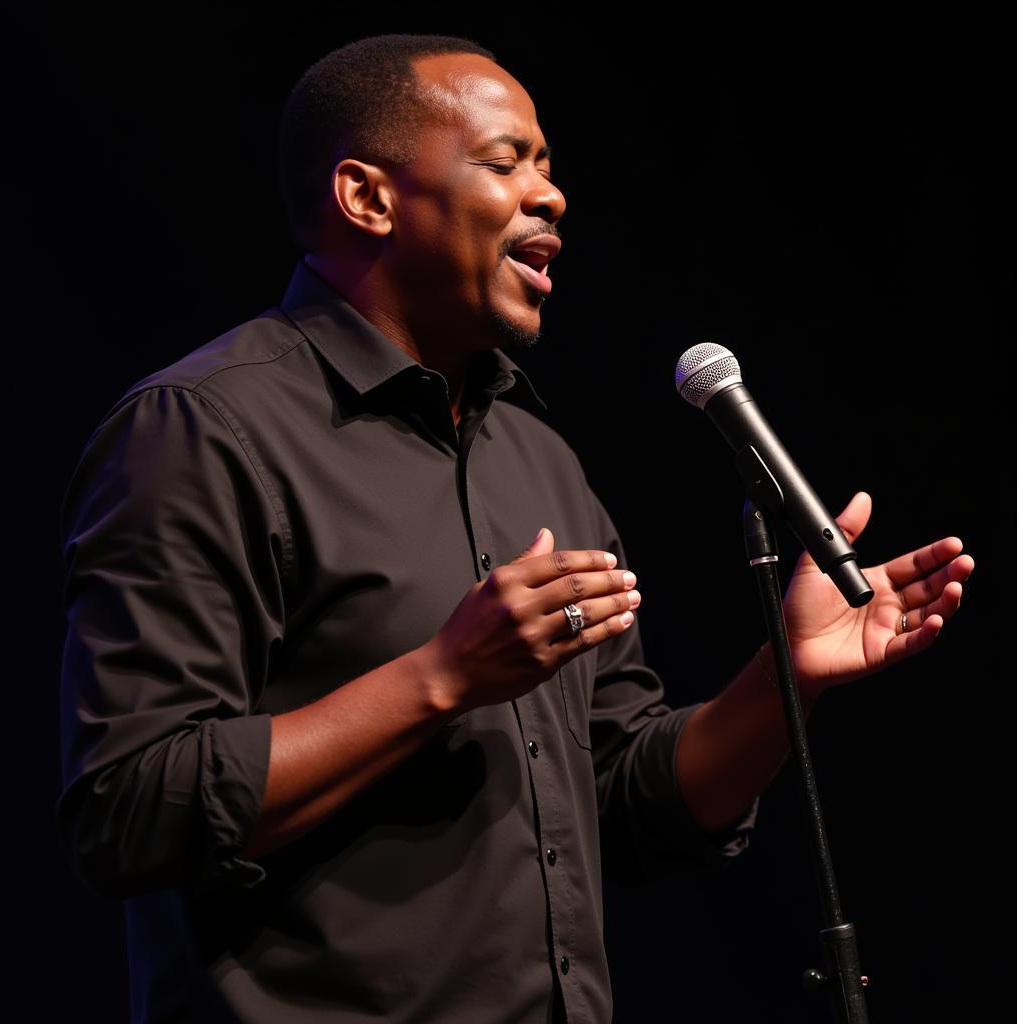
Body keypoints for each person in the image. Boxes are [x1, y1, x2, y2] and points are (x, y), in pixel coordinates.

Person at [56, 33, 974, 1024]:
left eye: (547, 165)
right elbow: (129, 810)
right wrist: (442, 676)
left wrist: (783, 677)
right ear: (368, 198)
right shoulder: (203, 430)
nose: (551, 196)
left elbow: (623, 808)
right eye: (505, 162)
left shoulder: (539, 463)